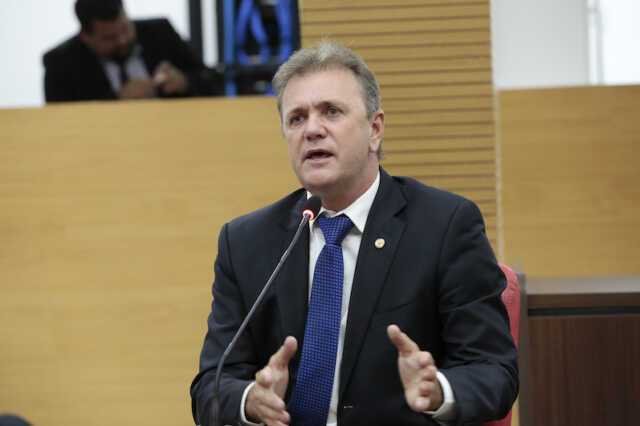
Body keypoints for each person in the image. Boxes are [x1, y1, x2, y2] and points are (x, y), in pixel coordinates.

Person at [191, 41, 518, 426]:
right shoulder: (246, 242)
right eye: (296, 118)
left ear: (374, 129)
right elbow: (210, 387)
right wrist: (251, 400)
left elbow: (493, 370)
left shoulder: (444, 226)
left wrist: (439, 390)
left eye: (331, 111)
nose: (312, 130)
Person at [43, 0, 221, 102]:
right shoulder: (60, 62)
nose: (123, 40)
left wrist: (185, 81)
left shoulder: (161, 32)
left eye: (126, 29)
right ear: (86, 37)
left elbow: (211, 79)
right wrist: (117, 100)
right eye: (110, 38)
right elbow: (60, 119)